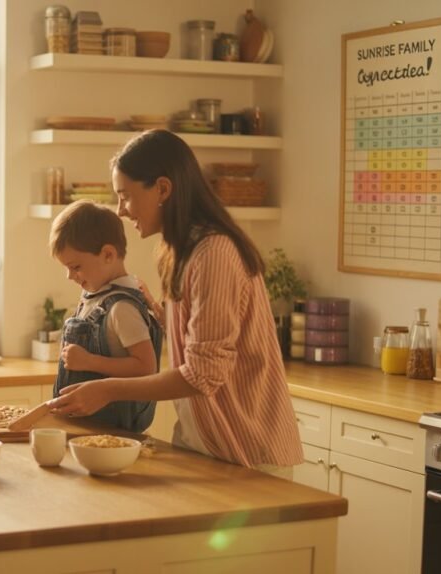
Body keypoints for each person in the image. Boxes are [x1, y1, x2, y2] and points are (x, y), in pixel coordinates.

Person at [49, 130, 303, 475]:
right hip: (202, 440)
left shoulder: (214, 253)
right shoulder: (175, 253)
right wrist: (160, 313)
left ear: (163, 189)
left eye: (125, 196)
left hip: (245, 446)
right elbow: (201, 338)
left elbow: (203, 374)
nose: (121, 211)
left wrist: (106, 390)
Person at [49, 200, 162, 433]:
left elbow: (146, 367)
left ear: (108, 254)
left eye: (76, 266)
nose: (70, 276)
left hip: (113, 431)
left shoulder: (122, 308)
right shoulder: (95, 296)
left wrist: (89, 362)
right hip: (86, 426)